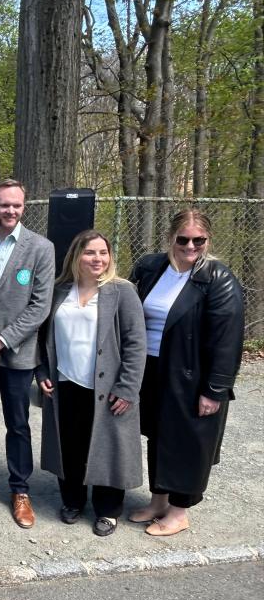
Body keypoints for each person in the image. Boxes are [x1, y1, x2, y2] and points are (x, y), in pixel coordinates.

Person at [127, 209, 244, 536]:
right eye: (183, 239)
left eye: (199, 240)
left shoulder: (218, 280)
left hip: (193, 377)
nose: (190, 246)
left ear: (208, 240)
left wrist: (215, 390)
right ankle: (158, 501)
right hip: (152, 368)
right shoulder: (153, 268)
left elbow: (228, 342)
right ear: (171, 238)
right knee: (159, 436)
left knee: (188, 443)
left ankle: (179, 512)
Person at [36, 231, 146, 536]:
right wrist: (42, 371)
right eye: (90, 252)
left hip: (108, 388)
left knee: (109, 448)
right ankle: (72, 501)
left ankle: (108, 510)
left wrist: (127, 388)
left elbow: (136, 344)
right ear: (75, 257)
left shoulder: (122, 292)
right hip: (64, 383)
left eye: (103, 252)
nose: (98, 259)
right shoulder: (59, 291)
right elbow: (41, 338)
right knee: (69, 446)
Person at [0, 179, 55, 529]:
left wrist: (0, 342)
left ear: (24, 206)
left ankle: (20, 489)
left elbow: (39, 307)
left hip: (17, 353)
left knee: (17, 424)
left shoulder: (40, 248)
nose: (11, 211)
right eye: (4, 205)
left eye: (17, 205)